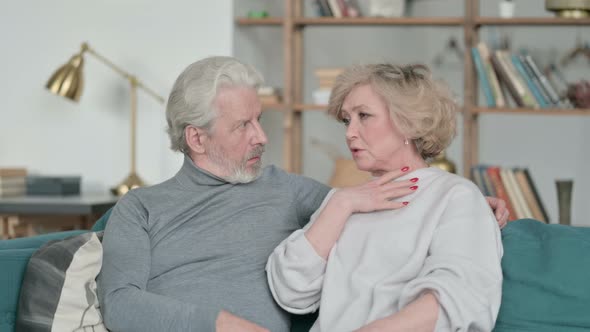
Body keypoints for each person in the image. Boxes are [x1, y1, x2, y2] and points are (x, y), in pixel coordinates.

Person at [98, 57, 509, 332]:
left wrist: (475, 204)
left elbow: (393, 212)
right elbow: (120, 304)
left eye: (260, 120)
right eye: (244, 126)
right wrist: (227, 325)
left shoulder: (290, 191)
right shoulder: (140, 208)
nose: (262, 137)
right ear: (197, 138)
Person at [266, 63, 504, 331]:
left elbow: (456, 297)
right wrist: (342, 204)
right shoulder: (344, 201)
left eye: (364, 116)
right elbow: (290, 291)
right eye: (347, 120)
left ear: (408, 123)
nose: (349, 132)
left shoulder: (455, 196)